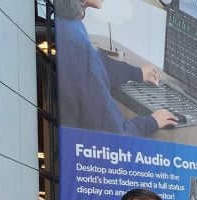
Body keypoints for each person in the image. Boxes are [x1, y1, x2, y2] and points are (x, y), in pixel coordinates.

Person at [55, 0, 177, 135]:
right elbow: (113, 131)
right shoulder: (75, 41)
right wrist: (152, 122)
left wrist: (137, 73)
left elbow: (96, 64)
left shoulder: (66, 24)